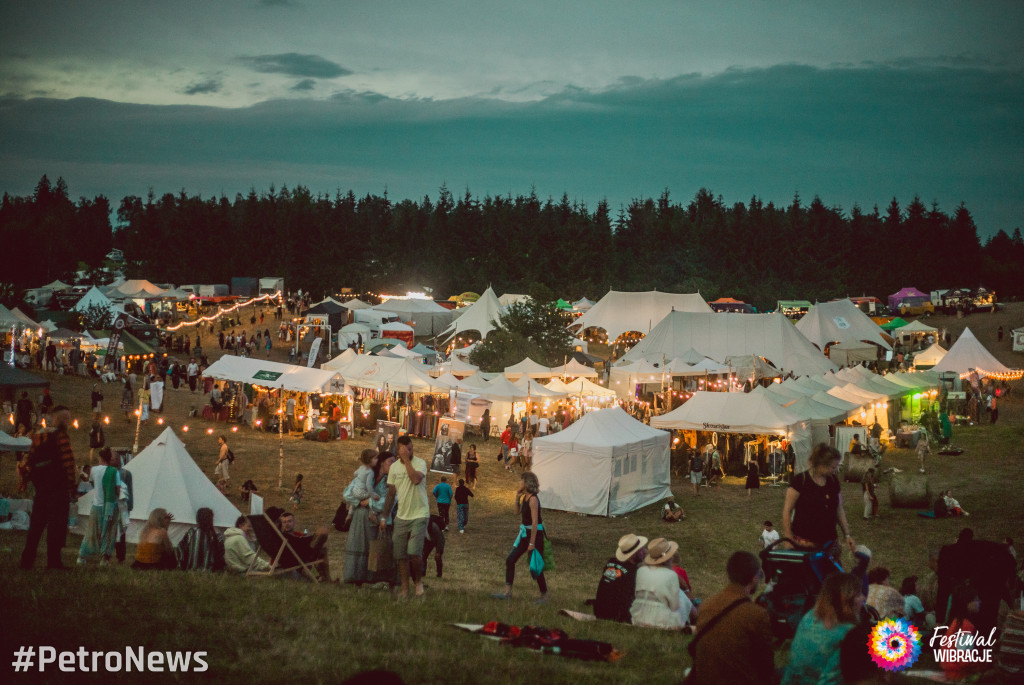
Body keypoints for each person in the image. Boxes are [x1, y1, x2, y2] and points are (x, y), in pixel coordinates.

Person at [690, 551, 775, 685]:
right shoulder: (756, 614)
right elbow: (766, 667)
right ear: (754, 578)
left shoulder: (706, 605)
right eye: (760, 575)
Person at [19, 405, 78, 570]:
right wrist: (71, 486)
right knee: (56, 526)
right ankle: (54, 562)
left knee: (36, 526)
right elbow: (68, 462)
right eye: (66, 418)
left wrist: (28, 480)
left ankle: (26, 561)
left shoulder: (38, 436)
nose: (68, 421)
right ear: (59, 418)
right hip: (58, 488)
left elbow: (29, 461)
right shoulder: (61, 436)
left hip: (41, 489)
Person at [781, 573, 865, 685]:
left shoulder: (810, 616)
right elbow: (830, 681)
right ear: (847, 601)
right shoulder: (849, 634)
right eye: (859, 594)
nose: (864, 598)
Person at [782, 444, 856, 555]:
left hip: (830, 544)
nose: (835, 470)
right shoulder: (800, 481)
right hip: (805, 545)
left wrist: (847, 535)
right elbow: (787, 511)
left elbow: (839, 509)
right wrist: (788, 538)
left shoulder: (833, 481)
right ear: (820, 464)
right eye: (833, 467)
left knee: (834, 572)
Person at [379, 435, 429, 598]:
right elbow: (391, 494)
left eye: (411, 447)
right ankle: (405, 588)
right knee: (400, 554)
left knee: (414, 552)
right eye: (405, 448)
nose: (409, 450)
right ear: (398, 450)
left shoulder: (420, 463)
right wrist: (384, 517)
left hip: (420, 514)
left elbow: (415, 479)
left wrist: (407, 460)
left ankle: (418, 582)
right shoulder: (394, 469)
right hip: (402, 516)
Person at [492, 471, 548, 604]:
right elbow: (516, 512)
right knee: (510, 560)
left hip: (535, 535)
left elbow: (535, 523)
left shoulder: (533, 499)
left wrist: (532, 543)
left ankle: (545, 596)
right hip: (524, 535)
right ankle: (507, 592)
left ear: (527, 483)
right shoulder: (525, 498)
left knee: (536, 566)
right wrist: (517, 498)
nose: (519, 483)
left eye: (521, 481)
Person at [345, 452, 394, 586]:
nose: (394, 465)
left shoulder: (390, 482)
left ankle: (374, 579)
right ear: (382, 463)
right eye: (391, 461)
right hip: (360, 518)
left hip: (377, 520)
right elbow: (348, 493)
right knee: (360, 545)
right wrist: (361, 502)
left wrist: (370, 503)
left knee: (375, 548)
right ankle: (356, 578)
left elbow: (390, 501)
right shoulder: (367, 475)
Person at [630, 537, 692, 629]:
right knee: (682, 601)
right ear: (668, 559)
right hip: (662, 623)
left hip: (638, 618)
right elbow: (674, 606)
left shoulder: (641, 570)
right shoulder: (671, 575)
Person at [77, 447, 124, 565]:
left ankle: (82, 556)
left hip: (96, 505)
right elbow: (117, 490)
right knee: (109, 533)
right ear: (109, 459)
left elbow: (92, 483)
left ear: (100, 458)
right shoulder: (114, 472)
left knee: (91, 532)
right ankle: (104, 558)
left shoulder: (93, 470)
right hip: (110, 507)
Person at [593, 533, 648, 623]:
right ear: (633, 554)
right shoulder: (634, 571)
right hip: (618, 615)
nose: (645, 551)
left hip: (599, 612)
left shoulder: (610, 562)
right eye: (641, 549)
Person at [941, 584, 988, 682]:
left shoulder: (956, 622)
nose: (980, 602)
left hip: (950, 672)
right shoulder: (966, 627)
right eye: (976, 599)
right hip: (959, 676)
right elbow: (964, 662)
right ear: (967, 603)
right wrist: (986, 662)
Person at [277, 510, 332, 581]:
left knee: (322, 546)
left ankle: (325, 577)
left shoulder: (299, 535)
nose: (287, 524)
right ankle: (326, 578)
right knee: (322, 534)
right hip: (293, 564)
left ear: (294, 522)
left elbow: (303, 541)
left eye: (289, 521)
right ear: (281, 524)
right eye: (284, 522)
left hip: (303, 559)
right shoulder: (282, 537)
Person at [176, 507, 226, 572]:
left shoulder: (191, 533)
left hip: (191, 570)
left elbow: (180, 548)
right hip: (210, 573)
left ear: (198, 519)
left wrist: (182, 564)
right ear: (211, 520)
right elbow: (221, 557)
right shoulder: (217, 536)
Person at [345, 449, 381, 527]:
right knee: (373, 499)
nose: (377, 460)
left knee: (356, 500)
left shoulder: (361, 467)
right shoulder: (370, 472)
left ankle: (349, 515)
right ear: (369, 460)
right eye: (375, 458)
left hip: (355, 490)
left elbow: (355, 474)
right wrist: (373, 494)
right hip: (362, 492)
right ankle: (372, 513)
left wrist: (359, 479)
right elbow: (368, 486)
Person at [421, 513, 445, 579]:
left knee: (437, 557)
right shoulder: (420, 526)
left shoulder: (433, 526)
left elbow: (439, 539)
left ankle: (439, 573)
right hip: (428, 540)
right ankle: (422, 572)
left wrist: (438, 551)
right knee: (423, 555)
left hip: (438, 540)